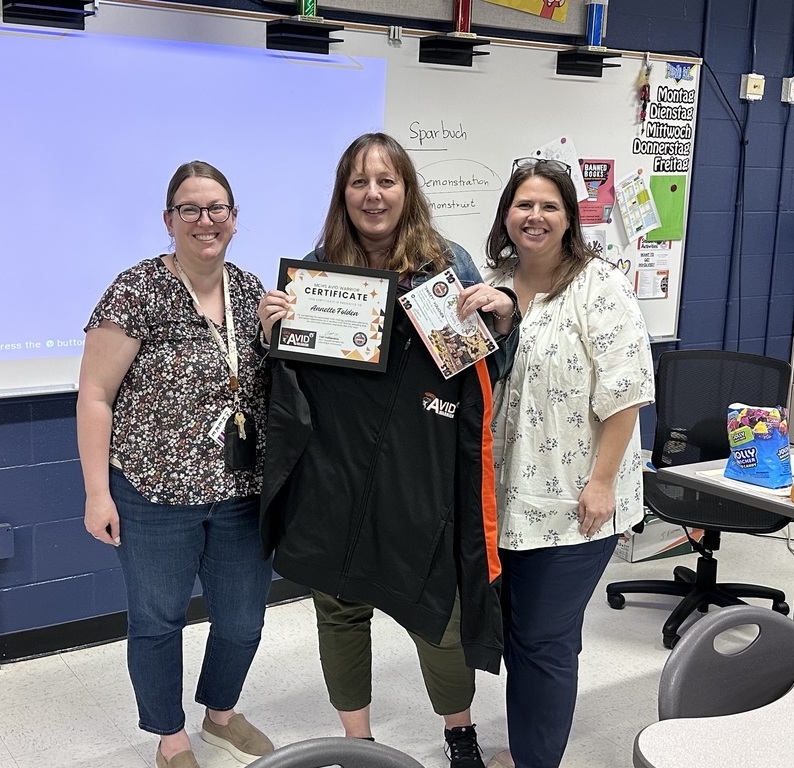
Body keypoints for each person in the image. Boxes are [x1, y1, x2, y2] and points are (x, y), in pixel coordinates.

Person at [257, 133, 519, 768]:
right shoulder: (320, 272)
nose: (372, 195)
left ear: (407, 190)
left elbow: (492, 366)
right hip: (337, 476)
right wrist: (274, 335)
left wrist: (502, 314)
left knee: (440, 616)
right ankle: (359, 746)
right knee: (339, 609)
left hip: (418, 474)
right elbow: (291, 388)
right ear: (343, 194)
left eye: (386, 181)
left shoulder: (445, 264)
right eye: (358, 182)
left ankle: (460, 734)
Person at [76, 161, 275, 768]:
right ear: (169, 220)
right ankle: (170, 737)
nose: (205, 220)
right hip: (153, 493)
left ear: (235, 220)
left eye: (217, 208)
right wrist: (96, 493)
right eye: (190, 209)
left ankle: (219, 713)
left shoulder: (249, 289)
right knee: (159, 620)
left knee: (242, 620)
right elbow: (94, 395)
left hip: (242, 490)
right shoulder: (136, 290)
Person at [479, 159, 655, 768]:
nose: (535, 217)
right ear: (507, 213)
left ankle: (535, 761)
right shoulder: (492, 283)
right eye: (524, 205)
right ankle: (527, 748)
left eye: (549, 206)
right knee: (521, 634)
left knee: (546, 639)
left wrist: (602, 481)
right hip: (506, 501)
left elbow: (627, 389)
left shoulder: (598, 286)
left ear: (569, 217)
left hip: (577, 501)